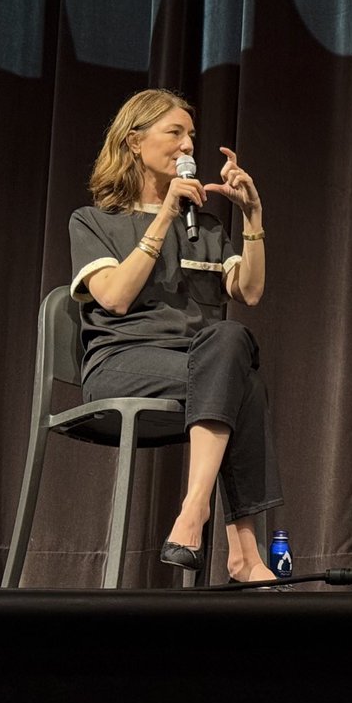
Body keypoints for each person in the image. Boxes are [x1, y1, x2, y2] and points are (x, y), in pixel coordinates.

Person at [69, 88, 284, 583]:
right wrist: (164, 214)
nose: (188, 145)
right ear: (134, 141)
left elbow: (250, 291)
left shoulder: (203, 228)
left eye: (191, 135)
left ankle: (197, 514)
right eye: (175, 133)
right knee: (242, 382)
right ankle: (240, 551)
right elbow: (115, 298)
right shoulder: (94, 221)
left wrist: (252, 216)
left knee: (232, 343)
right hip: (122, 364)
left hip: (198, 364)